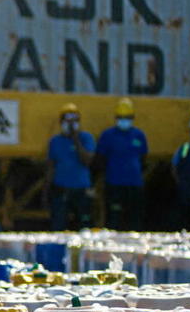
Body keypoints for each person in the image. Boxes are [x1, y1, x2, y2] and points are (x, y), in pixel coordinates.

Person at [96, 98, 148, 230]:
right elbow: (100, 160)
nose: (124, 120)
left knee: (134, 221)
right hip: (114, 185)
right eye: (121, 117)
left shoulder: (139, 136)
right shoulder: (108, 136)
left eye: (127, 117)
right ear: (116, 117)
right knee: (114, 220)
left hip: (134, 185)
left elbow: (143, 159)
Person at [46, 102, 95, 230]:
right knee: (59, 225)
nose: (70, 125)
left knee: (83, 227)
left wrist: (75, 139)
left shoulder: (86, 138)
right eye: (67, 121)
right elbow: (51, 166)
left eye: (74, 121)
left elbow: (87, 160)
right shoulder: (55, 141)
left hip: (81, 190)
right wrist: (47, 190)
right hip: (61, 189)